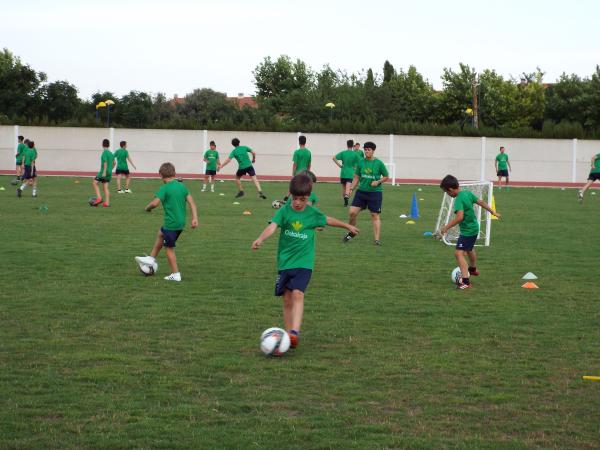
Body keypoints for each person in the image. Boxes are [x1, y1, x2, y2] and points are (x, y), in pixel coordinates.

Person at [252, 173, 359, 348]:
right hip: (285, 262)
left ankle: (295, 332)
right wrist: (261, 239)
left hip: (304, 263)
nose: (298, 202)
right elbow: (272, 226)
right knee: (286, 299)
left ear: (308, 197)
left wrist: (347, 226)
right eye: (295, 198)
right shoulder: (284, 210)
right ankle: (288, 336)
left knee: (297, 293)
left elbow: (327, 220)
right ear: (291, 195)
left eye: (302, 199)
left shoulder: (312, 213)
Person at [135, 162, 198, 282]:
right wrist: (195, 218)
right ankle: (151, 258)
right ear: (174, 173)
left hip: (171, 223)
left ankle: (176, 274)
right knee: (160, 233)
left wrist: (147, 208)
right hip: (180, 223)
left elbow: (155, 203)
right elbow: (192, 203)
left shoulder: (164, 188)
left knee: (169, 248)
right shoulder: (182, 186)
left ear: (161, 176)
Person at [437, 174, 500, 289]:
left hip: (467, 231)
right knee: (469, 249)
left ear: (450, 190)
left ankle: (466, 282)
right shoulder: (466, 193)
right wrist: (492, 212)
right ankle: (473, 269)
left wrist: (446, 227)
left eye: (446, 192)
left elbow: (459, 217)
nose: (447, 194)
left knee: (458, 253)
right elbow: (481, 202)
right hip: (474, 228)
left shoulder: (458, 199)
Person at [343, 142, 389, 245]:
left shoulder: (379, 163)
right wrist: (351, 189)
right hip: (361, 192)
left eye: (369, 150)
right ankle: (352, 232)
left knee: (374, 215)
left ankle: (377, 240)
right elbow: (356, 177)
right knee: (352, 212)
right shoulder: (361, 162)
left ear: (373, 151)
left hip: (375, 193)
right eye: (365, 149)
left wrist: (378, 182)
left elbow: (386, 176)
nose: (367, 151)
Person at [283, 135, 312, 202]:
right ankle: (303, 200)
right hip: (305, 173)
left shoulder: (297, 152)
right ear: (305, 142)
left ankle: (288, 197)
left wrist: (293, 174)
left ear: (299, 142)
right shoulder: (308, 152)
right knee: (304, 187)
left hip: (298, 173)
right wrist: (308, 173)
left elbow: (295, 164)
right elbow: (309, 164)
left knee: (294, 186)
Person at [332, 139, 359, 206]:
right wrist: (356, 167)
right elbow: (361, 161)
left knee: (344, 188)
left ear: (347, 145)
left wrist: (339, 165)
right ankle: (347, 197)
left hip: (343, 172)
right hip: (350, 173)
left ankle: (345, 201)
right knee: (348, 187)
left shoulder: (343, 153)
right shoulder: (355, 154)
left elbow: (334, 158)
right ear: (353, 146)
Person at [90, 139, 115, 207]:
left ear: (102, 144)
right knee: (105, 188)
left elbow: (105, 163)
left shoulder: (104, 153)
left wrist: (104, 172)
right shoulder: (111, 153)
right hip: (109, 172)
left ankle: (99, 198)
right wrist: (110, 169)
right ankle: (106, 203)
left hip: (103, 171)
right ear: (109, 145)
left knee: (95, 183)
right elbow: (114, 163)